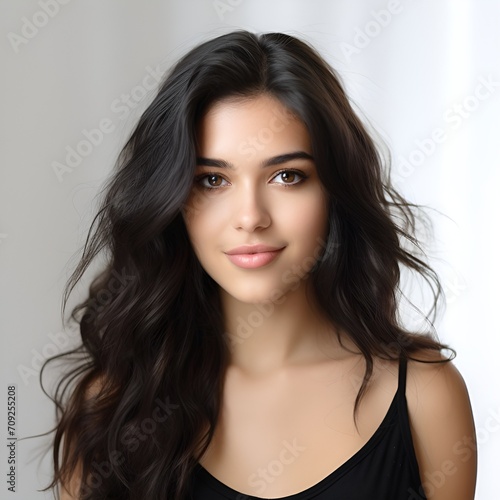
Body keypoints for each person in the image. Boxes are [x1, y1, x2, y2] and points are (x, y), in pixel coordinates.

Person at [43, 30, 477, 499]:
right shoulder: (112, 407)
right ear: (170, 200)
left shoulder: (424, 397)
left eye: (287, 176)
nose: (250, 217)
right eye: (212, 180)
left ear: (335, 190)